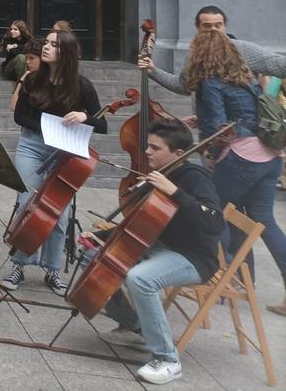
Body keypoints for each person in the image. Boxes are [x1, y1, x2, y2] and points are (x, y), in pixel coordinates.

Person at [82, 120, 224, 385]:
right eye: (147, 145)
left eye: (155, 148)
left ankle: (168, 359)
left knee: (140, 279)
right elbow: (138, 225)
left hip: (192, 257)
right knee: (92, 254)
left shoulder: (195, 177)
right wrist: (100, 236)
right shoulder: (162, 173)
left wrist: (175, 192)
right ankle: (137, 326)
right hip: (158, 246)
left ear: (178, 154)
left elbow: (215, 222)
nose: (147, 152)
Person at [2, 28, 107, 295]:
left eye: (52, 45)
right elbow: (20, 117)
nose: (45, 47)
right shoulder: (32, 80)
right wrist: (50, 126)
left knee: (58, 213)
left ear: (66, 52)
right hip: (33, 145)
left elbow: (102, 123)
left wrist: (84, 117)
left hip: (64, 152)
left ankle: (53, 270)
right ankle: (20, 265)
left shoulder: (82, 85)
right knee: (27, 203)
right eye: (46, 43)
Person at [184, 30, 286, 299]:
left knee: (214, 211)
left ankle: (220, 280)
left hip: (243, 158)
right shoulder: (244, 77)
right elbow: (243, 114)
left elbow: (220, 125)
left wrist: (211, 152)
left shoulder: (209, 80)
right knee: (265, 221)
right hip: (269, 156)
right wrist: (201, 118)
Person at [139, 6, 286, 99]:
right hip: (211, 133)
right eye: (207, 26)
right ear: (198, 28)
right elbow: (183, 86)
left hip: (244, 135)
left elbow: (280, 66)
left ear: (225, 27)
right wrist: (153, 71)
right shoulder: (194, 56)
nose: (213, 30)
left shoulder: (243, 49)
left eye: (218, 25)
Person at [8, 41, 43, 111]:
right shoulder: (28, 78)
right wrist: (21, 81)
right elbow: (13, 106)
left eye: (31, 58)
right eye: (26, 58)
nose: (27, 62)